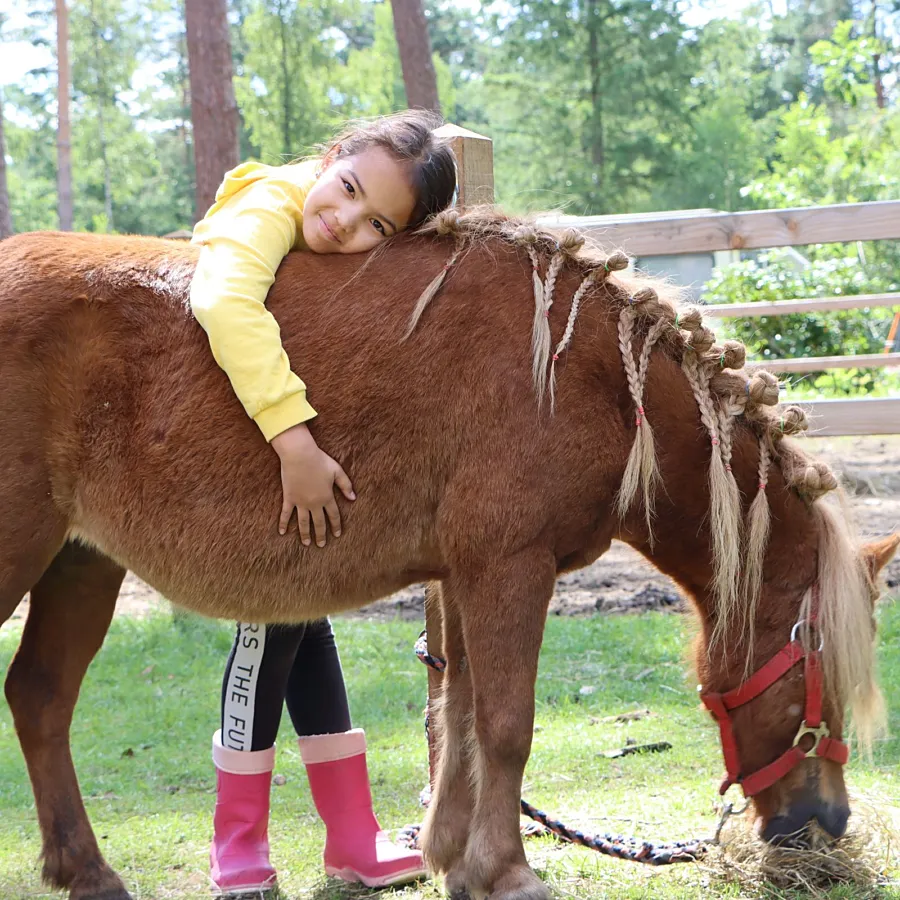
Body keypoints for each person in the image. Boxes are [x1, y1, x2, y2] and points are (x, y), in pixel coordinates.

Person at [188, 110, 457, 895]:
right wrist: (295, 440)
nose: (342, 223)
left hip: (275, 443)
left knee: (304, 625)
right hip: (252, 444)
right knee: (272, 619)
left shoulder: (326, 230)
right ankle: (237, 842)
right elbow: (222, 301)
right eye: (345, 189)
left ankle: (350, 839)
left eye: (376, 223)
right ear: (332, 157)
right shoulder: (272, 202)